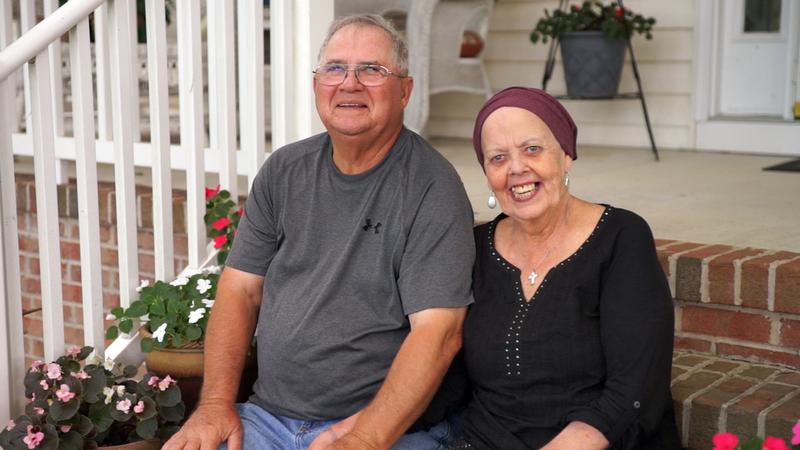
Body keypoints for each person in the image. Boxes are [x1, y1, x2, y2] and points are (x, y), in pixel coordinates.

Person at [163, 14, 474, 450]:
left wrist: (365, 438)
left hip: (383, 429)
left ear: (404, 90)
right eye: (335, 68)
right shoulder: (284, 171)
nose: (349, 83)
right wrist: (215, 404)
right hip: (268, 419)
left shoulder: (431, 186)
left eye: (372, 69)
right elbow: (240, 291)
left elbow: (438, 334)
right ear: (316, 85)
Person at [450, 86, 680, 449]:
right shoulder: (477, 249)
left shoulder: (621, 237)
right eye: (497, 158)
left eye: (532, 149)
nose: (517, 168)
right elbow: (452, 380)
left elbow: (635, 389)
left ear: (567, 154)